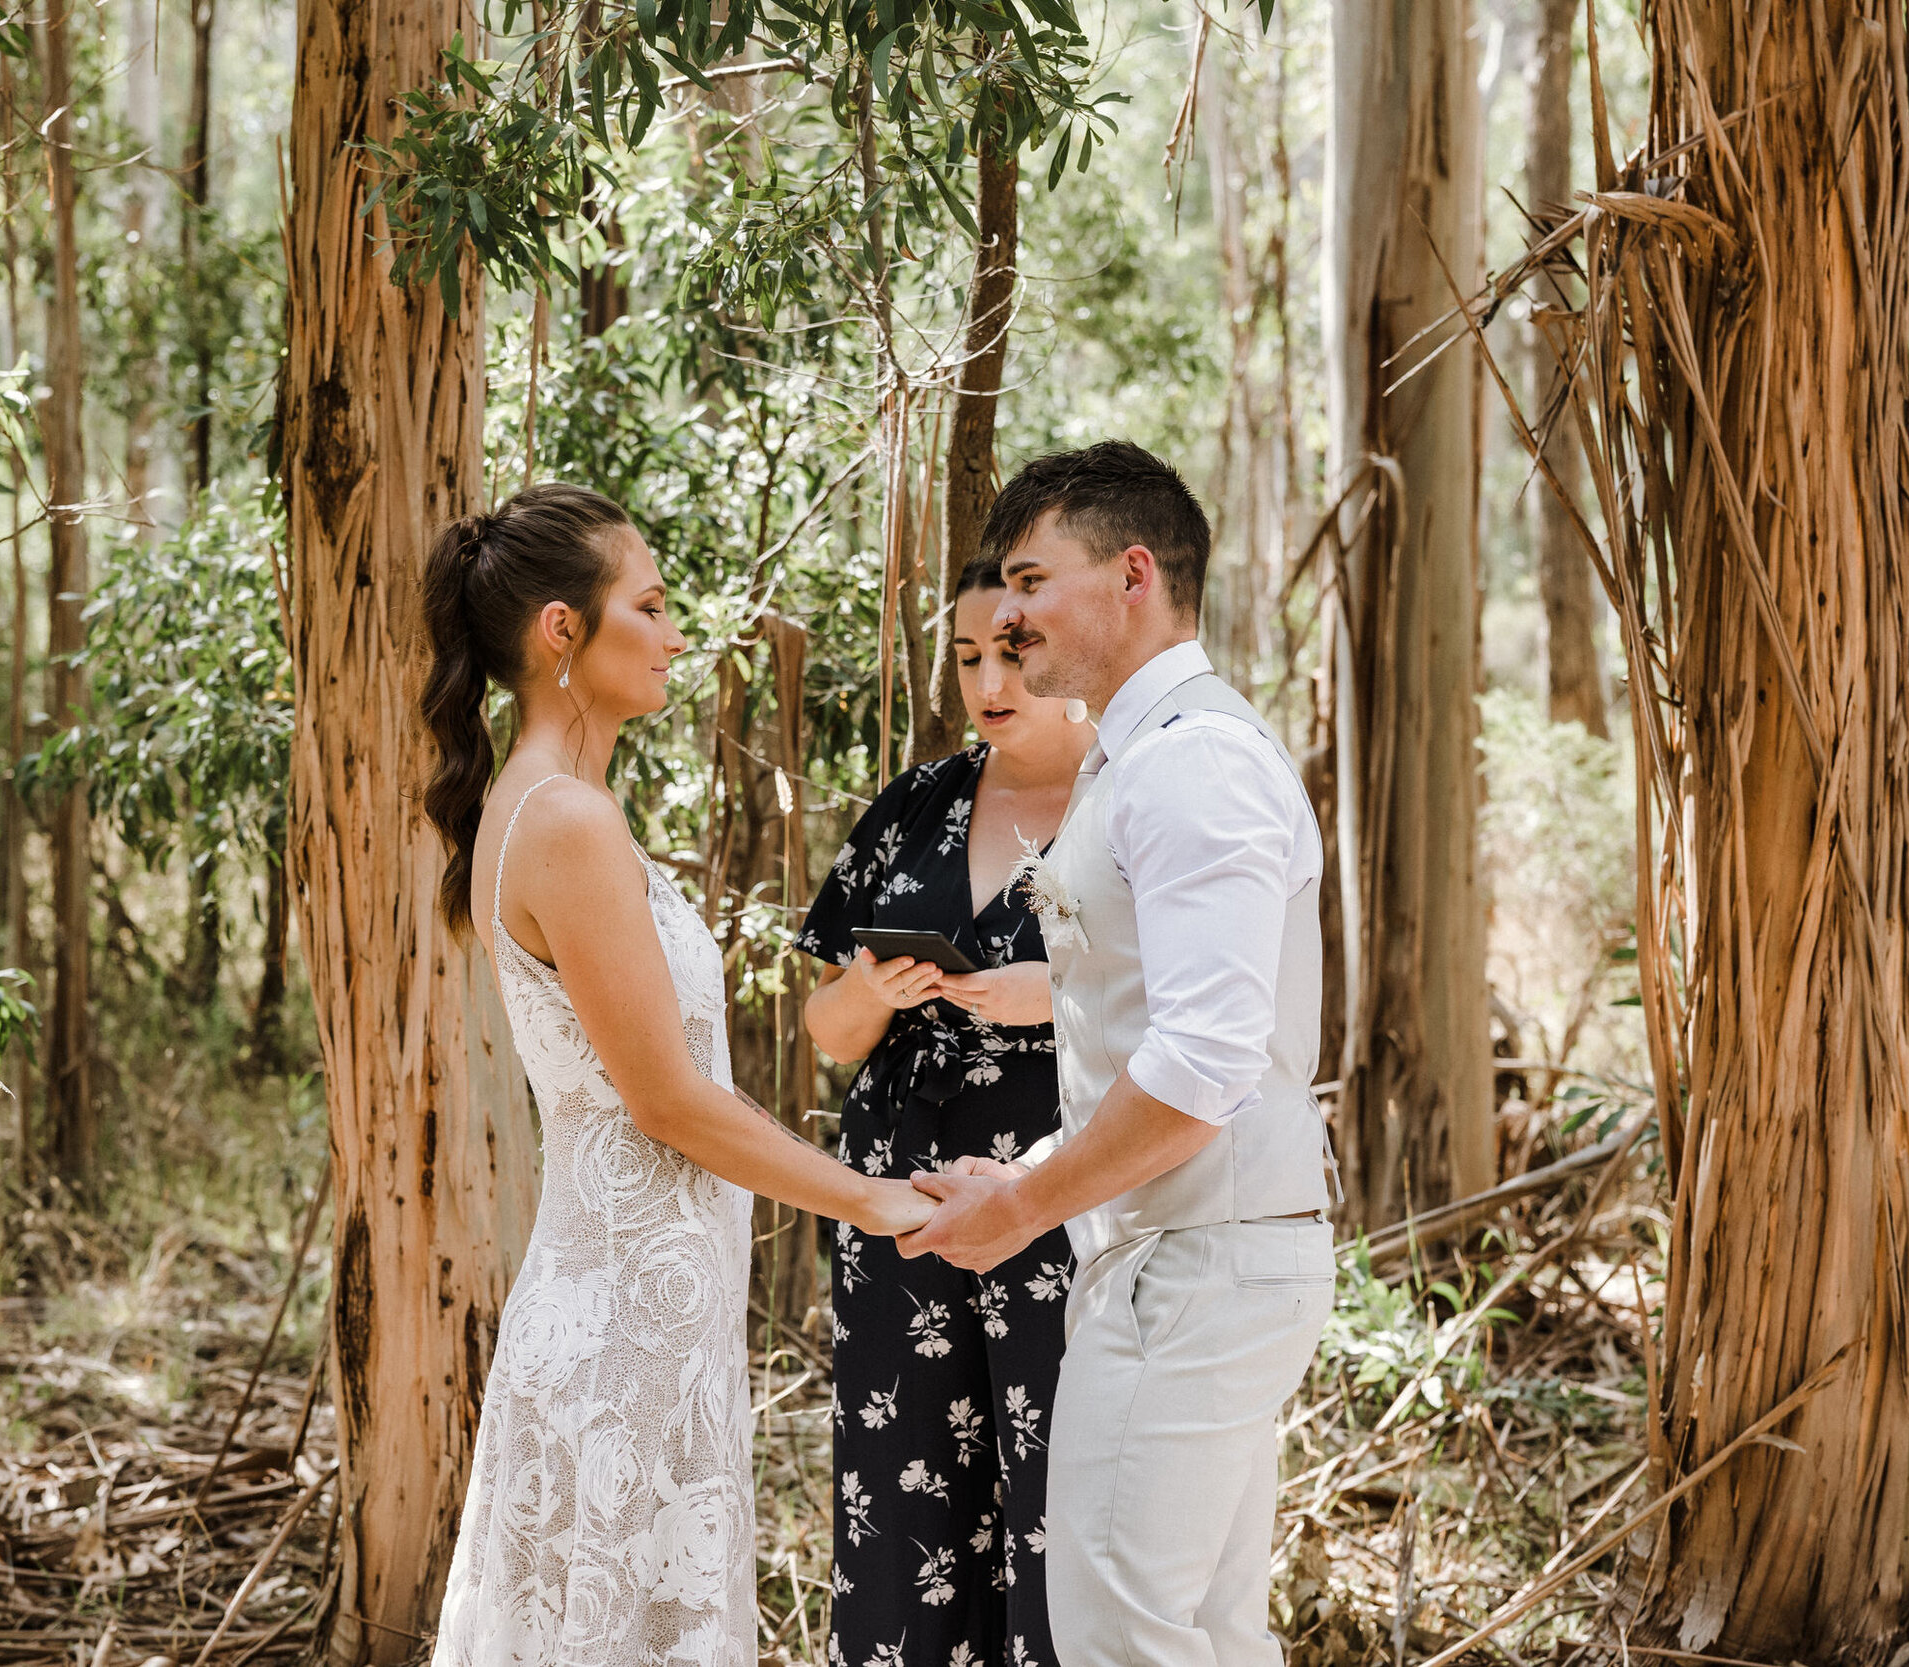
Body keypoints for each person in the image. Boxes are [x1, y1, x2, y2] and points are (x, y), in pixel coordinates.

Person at [418, 484, 937, 1667]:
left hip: (644, 1312)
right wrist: (875, 1198)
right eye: (648, 606)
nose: (675, 631)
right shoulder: (564, 820)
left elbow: (669, 1079)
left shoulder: (561, 806)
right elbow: (665, 1098)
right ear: (562, 629)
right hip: (622, 1337)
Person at [900, 443, 1339, 1667]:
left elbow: (1204, 1064)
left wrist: (1026, 1204)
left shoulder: (1192, 759)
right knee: (1198, 1631)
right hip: (1186, 1259)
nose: (1010, 611)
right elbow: (1148, 1038)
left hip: (1196, 1265)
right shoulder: (1143, 754)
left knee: (1115, 1639)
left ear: (1133, 572)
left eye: (1032, 578)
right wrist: (1022, 1175)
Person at [795, 555, 1092, 1667]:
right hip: (895, 1194)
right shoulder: (914, 804)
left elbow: (1194, 1006)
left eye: (1012, 650)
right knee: (901, 1485)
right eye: (967, 654)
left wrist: (1048, 996)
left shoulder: (1129, 801)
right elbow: (826, 1031)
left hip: (1056, 1189)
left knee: (1055, 1493)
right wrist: (867, 992)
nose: (987, 678)